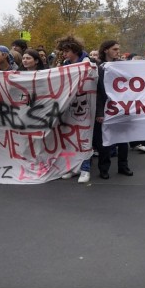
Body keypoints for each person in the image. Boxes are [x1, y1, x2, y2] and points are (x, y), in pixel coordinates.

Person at [54, 36, 95, 183]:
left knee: (85, 139)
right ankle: (71, 168)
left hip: (85, 107)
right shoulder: (65, 64)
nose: (64, 54)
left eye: (66, 51)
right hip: (69, 108)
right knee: (69, 140)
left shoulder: (88, 63)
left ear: (75, 50)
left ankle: (85, 169)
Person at [94, 39, 133, 179]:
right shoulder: (99, 68)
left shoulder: (121, 67)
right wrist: (99, 112)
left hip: (121, 108)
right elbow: (98, 92)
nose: (118, 52)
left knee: (123, 139)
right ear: (106, 50)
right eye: (115, 49)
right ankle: (104, 168)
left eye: (118, 49)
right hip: (105, 108)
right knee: (105, 140)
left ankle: (123, 166)